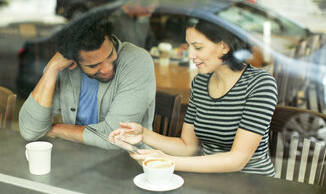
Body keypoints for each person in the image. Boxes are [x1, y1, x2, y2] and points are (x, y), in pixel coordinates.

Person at [109, 18, 278, 176]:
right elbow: (187, 146)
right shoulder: (201, 82)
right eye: (189, 46)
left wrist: (166, 160)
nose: (190, 55)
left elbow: (237, 160)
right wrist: (143, 134)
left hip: (251, 182)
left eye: (198, 47)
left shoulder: (260, 84)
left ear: (224, 47)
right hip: (210, 178)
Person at [19, 10, 156, 149]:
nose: (107, 68)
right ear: (73, 61)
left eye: (110, 56)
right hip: (77, 158)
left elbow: (116, 138)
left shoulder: (137, 61)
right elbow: (30, 131)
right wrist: (51, 69)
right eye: (94, 65)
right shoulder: (65, 68)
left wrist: (57, 130)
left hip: (127, 162)